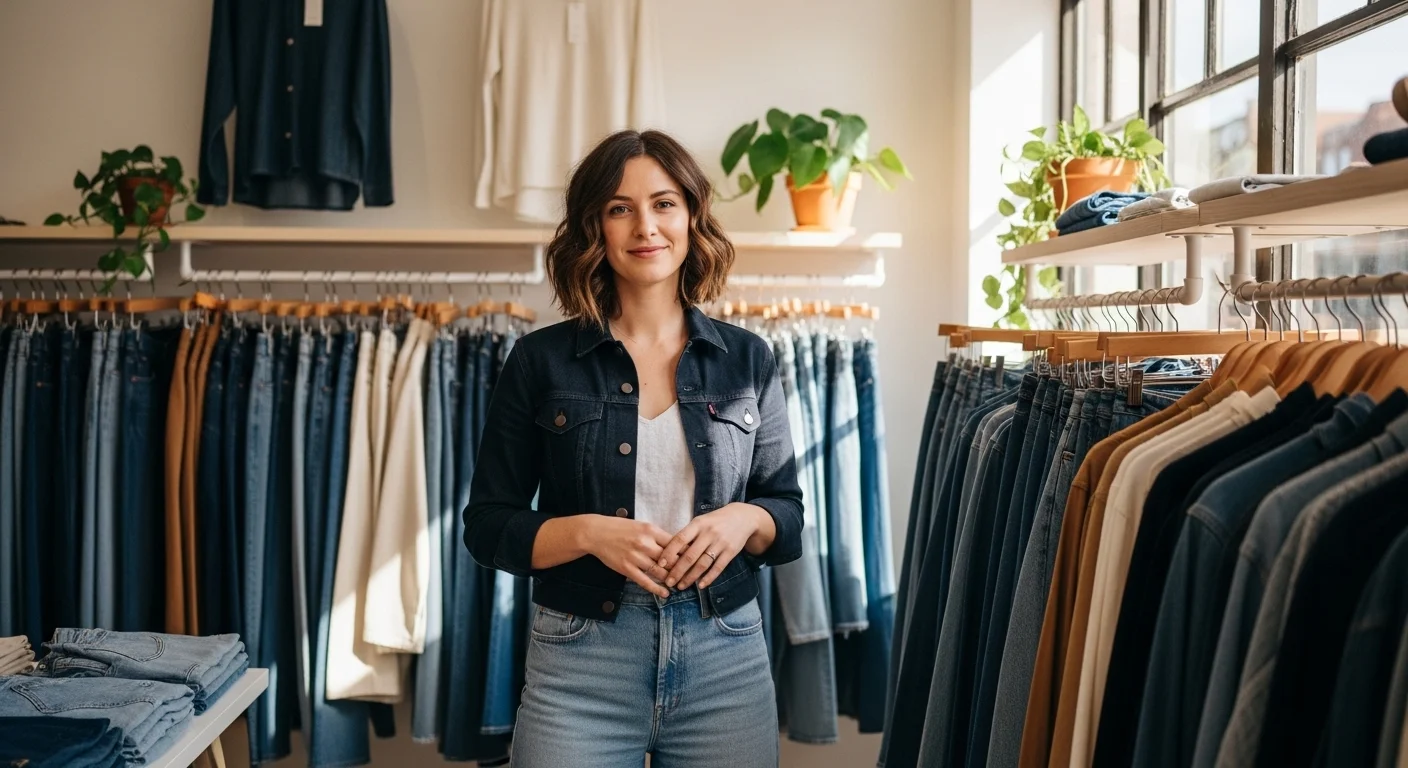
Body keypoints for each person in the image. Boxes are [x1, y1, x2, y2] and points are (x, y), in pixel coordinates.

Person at [463, 129, 805, 767]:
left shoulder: (748, 359)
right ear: (595, 227)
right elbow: (486, 527)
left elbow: (786, 514)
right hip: (580, 660)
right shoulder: (540, 360)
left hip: (725, 655)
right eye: (620, 208)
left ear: (692, 215)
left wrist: (744, 518)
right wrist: (590, 535)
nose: (645, 226)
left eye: (664, 203)